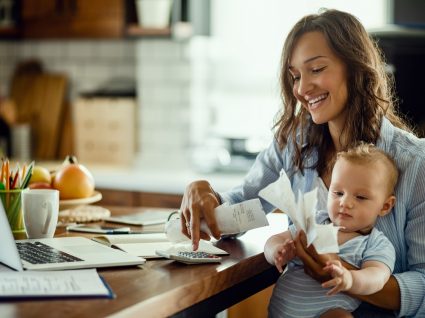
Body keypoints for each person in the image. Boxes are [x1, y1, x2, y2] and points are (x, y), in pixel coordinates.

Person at [179, 8, 425, 317]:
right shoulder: (293, 144)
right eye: (295, 76)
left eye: (316, 69)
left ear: (355, 68)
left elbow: (423, 285)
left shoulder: (414, 162)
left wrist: (343, 276)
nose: (301, 88)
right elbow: (243, 206)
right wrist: (206, 196)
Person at [265, 143, 397, 318]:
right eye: (338, 193)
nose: (345, 203)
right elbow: (274, 240)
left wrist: (351, 279)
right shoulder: (315, 221)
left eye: (360, 197)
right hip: (281, 311)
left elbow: (378, 277)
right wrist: (277, 251)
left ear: (385, 206)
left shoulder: (375, 243)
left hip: (327, 313)